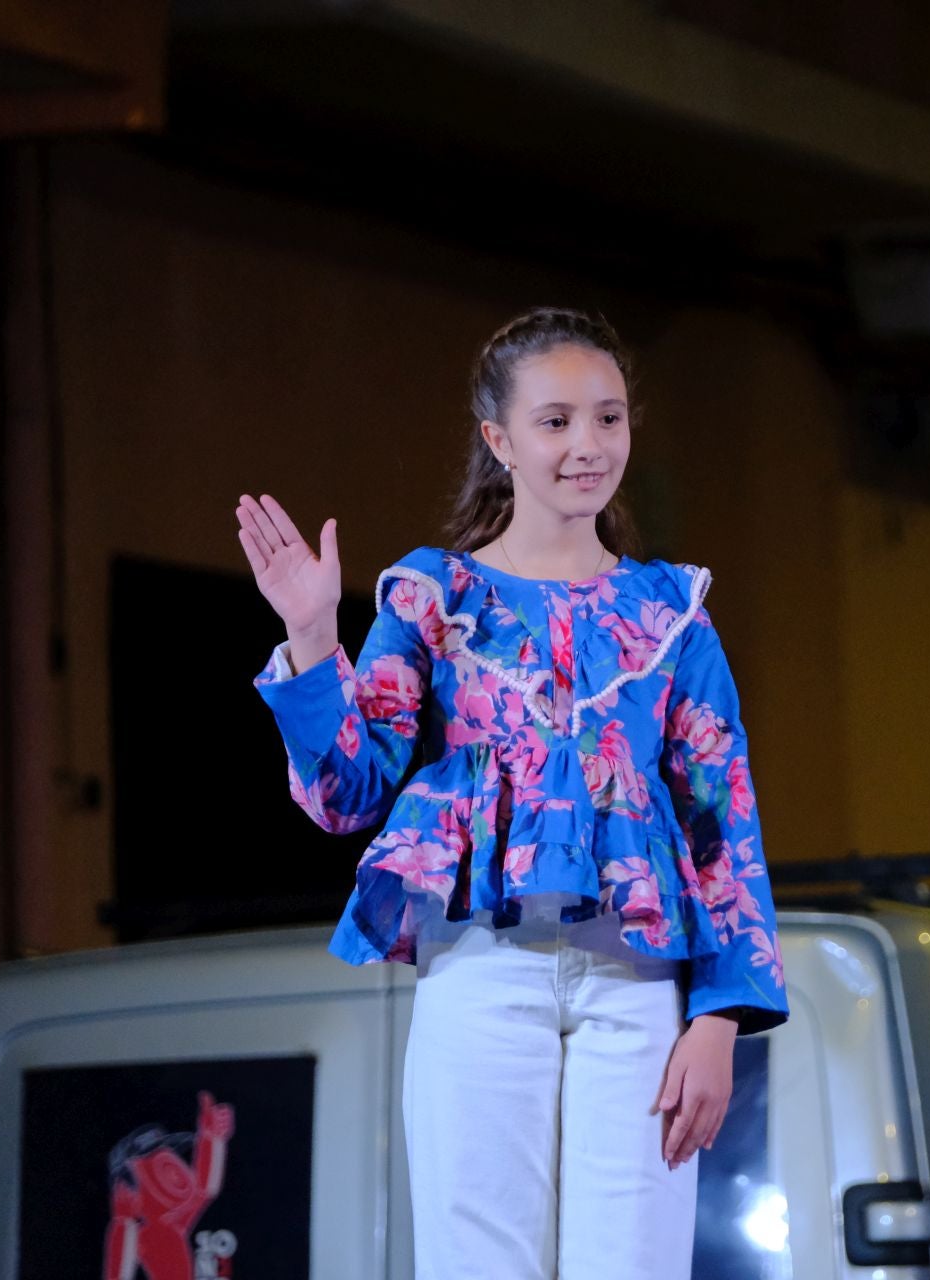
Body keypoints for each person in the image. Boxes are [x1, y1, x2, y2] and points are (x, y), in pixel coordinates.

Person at [238, 306, 786, 1279]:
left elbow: (721, 816)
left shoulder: (672, 615)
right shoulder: (435, 597)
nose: (588, 444)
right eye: (557, 420)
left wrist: (719, 1014)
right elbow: (346, 792)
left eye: (609, 418)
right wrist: (316, 636)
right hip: (482, 971)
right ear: (499, 439)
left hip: (637, 982)